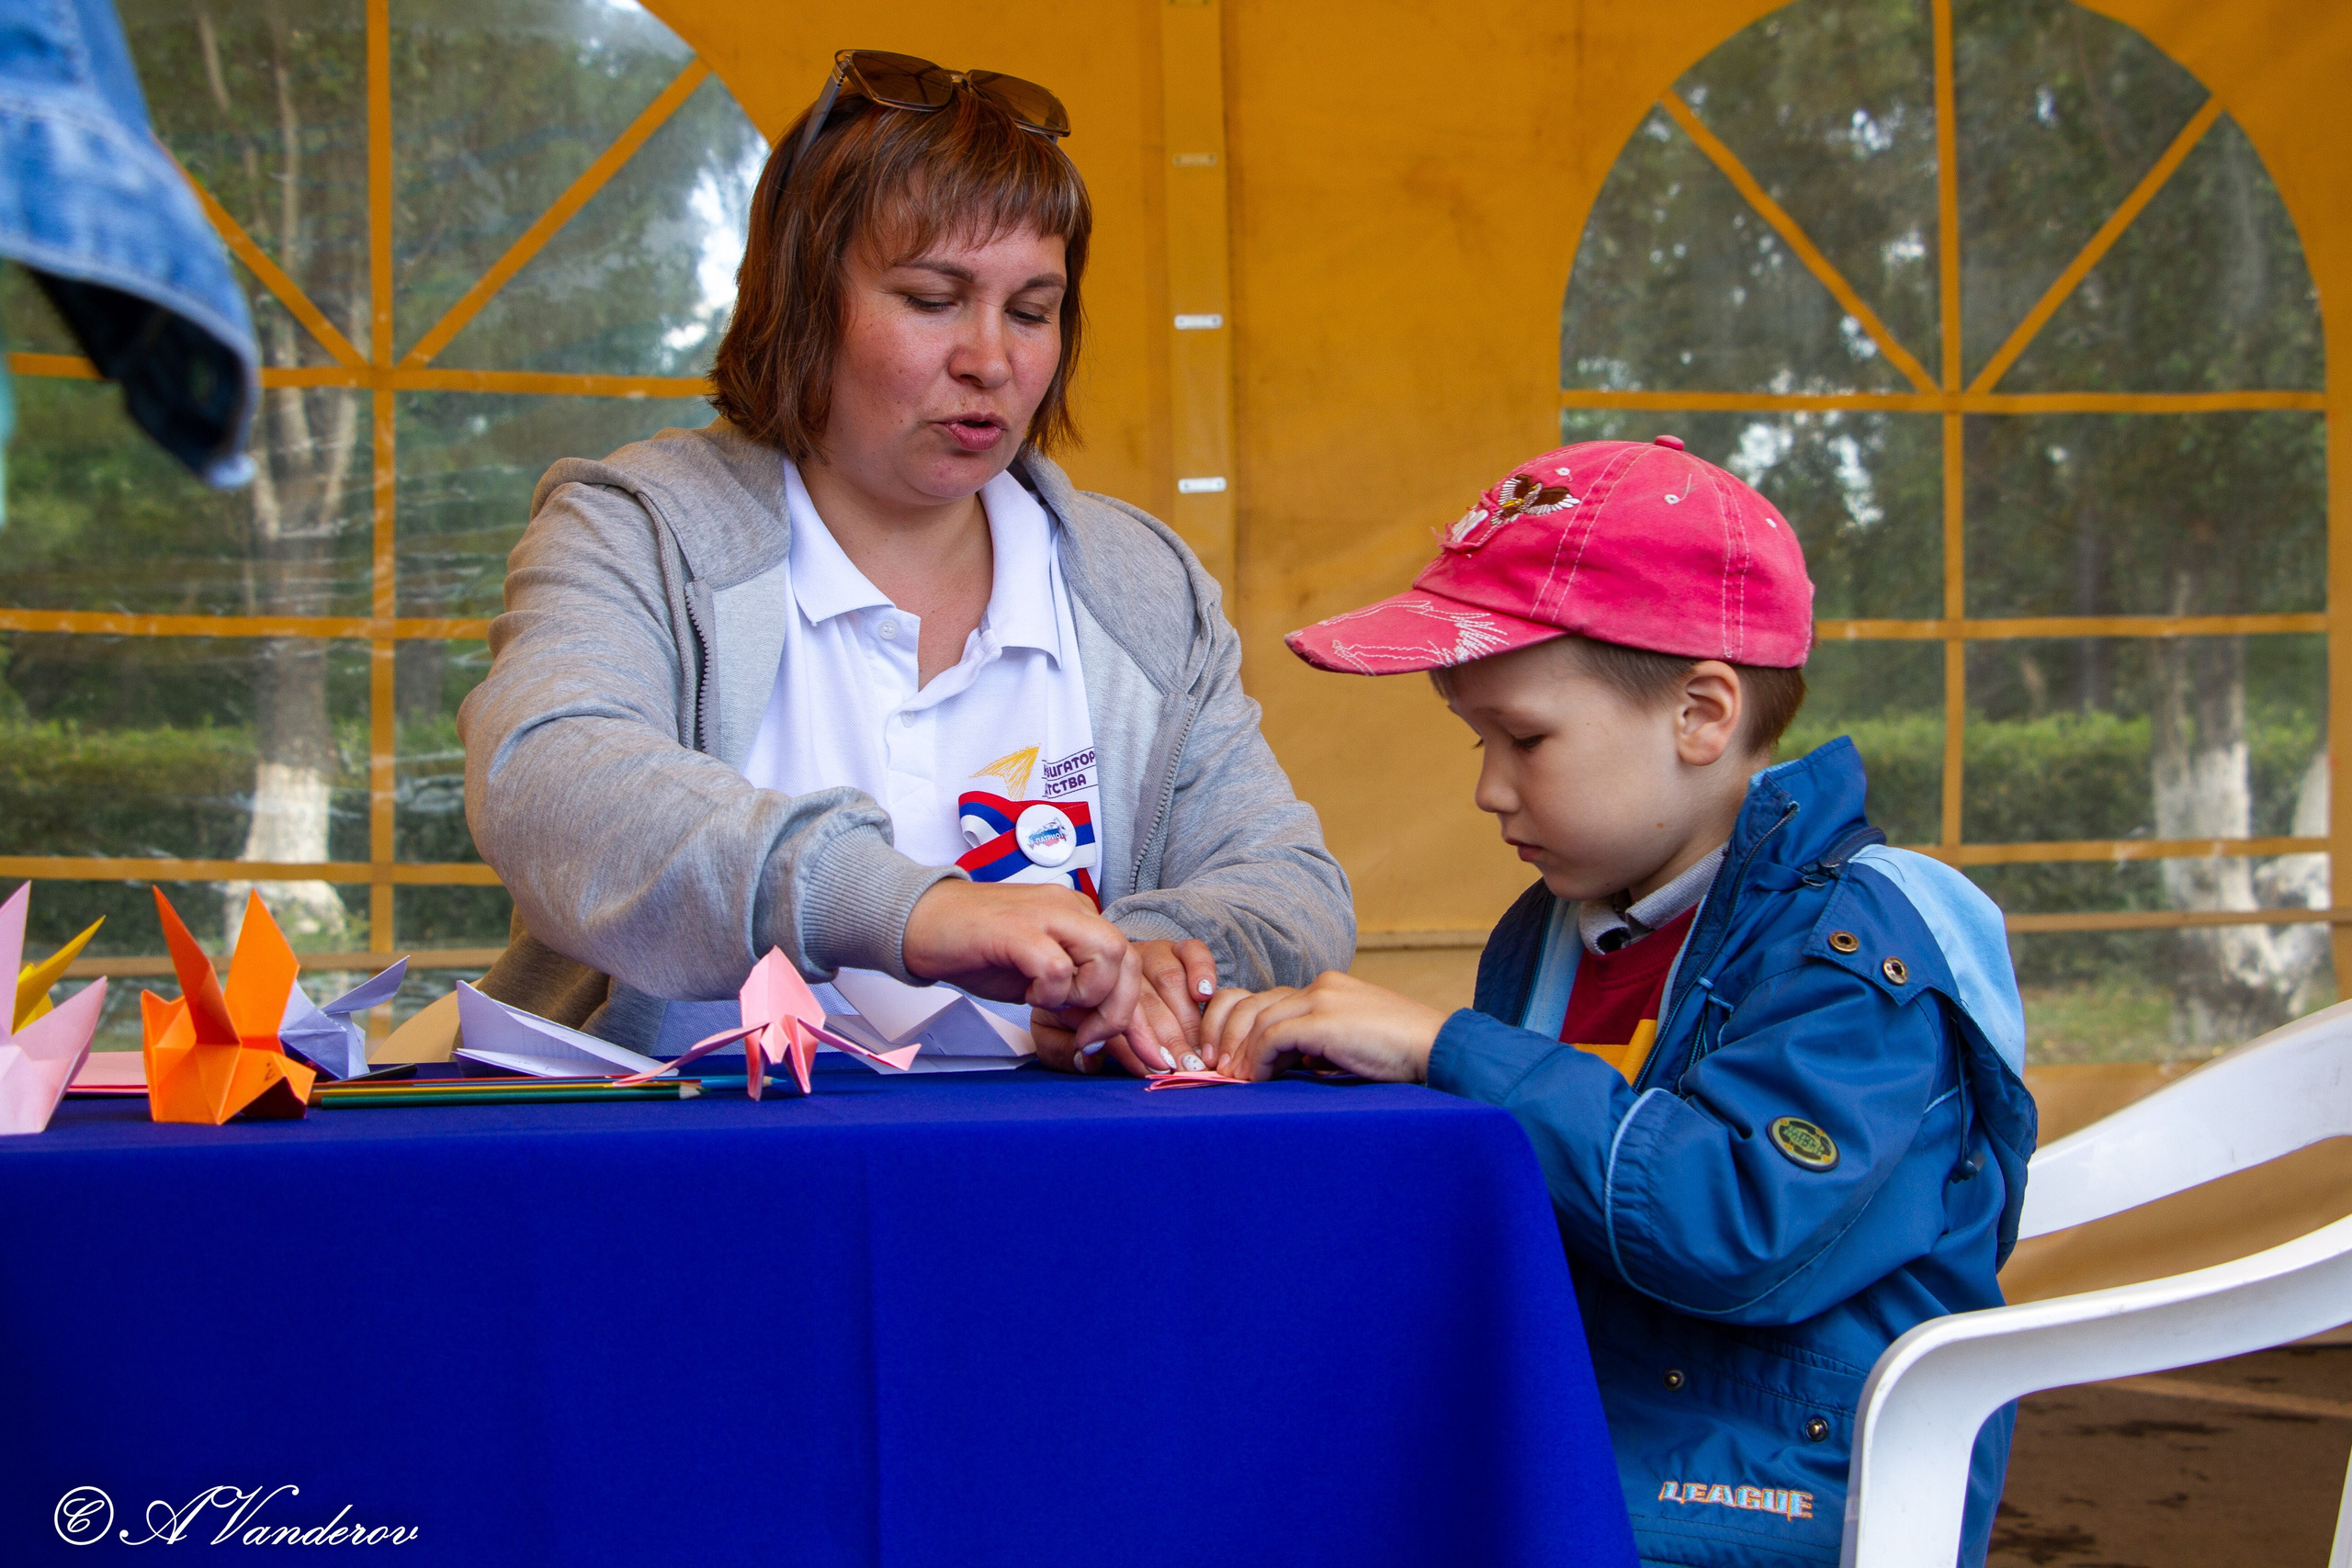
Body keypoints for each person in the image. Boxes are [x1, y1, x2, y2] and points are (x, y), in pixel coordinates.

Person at [1202, 435, 2038, 1568]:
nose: (1487, 789)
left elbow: (1734, 1221)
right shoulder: (1552, 930)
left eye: (1524, 738)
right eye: (1476, 738)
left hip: (1779, 1494)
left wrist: (1447, 1048)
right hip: (1591, 1417)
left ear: (1702, 713)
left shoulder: (1860, 942)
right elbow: (1530, 1173)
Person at [458, 50, 1351, 1073]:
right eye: (933, 298)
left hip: (1058, 1178)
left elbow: (1291, 884)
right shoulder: (639, 529)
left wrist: (1147, 958)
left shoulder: (1140, 583)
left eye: (1031, 310)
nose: (992, 360)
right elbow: (553, 787)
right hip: (691, 1171)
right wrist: (912, 910)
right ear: (800, 301)